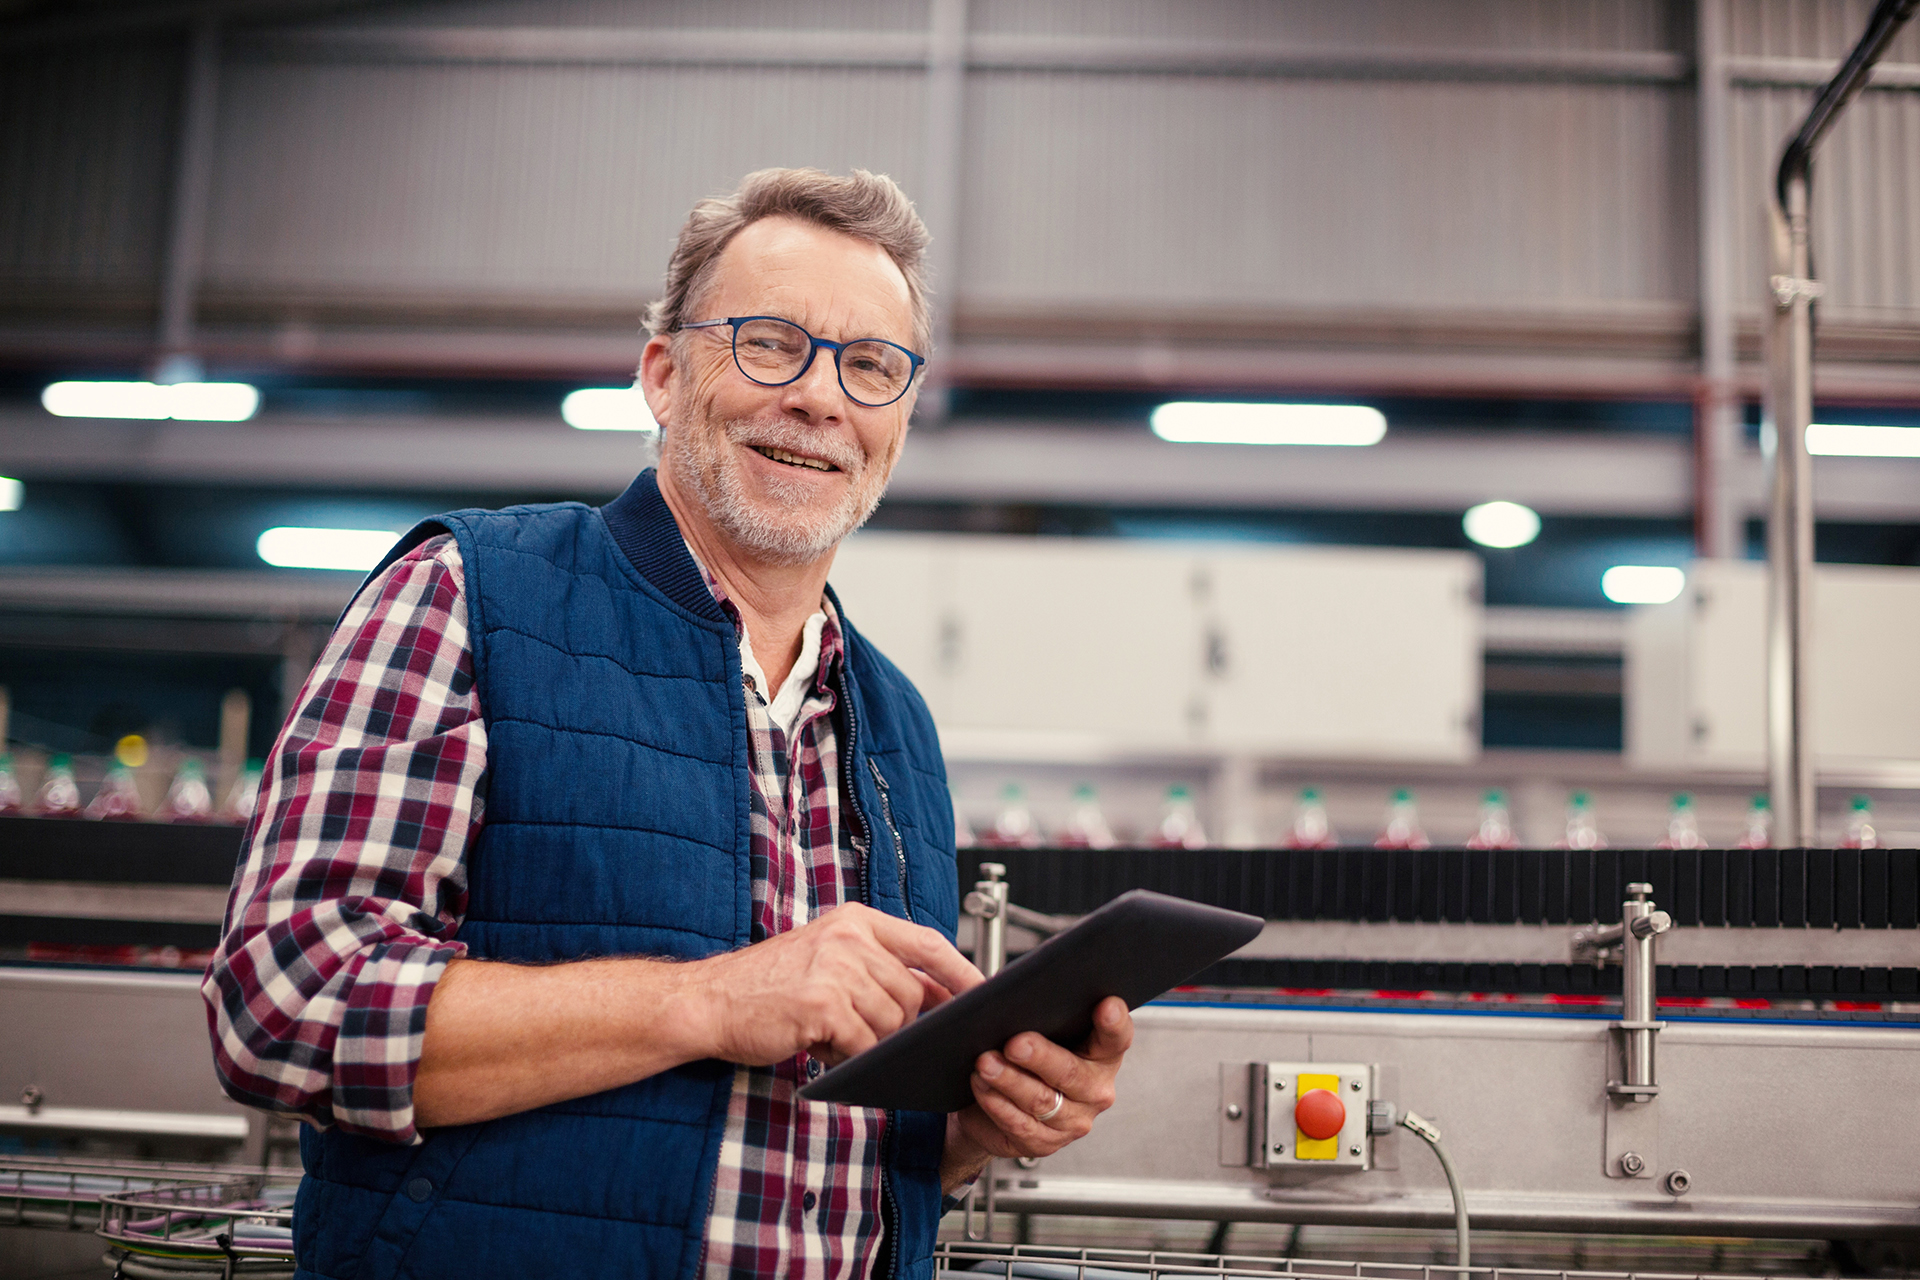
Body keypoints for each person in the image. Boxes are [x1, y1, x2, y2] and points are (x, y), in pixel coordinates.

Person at [201, 167, 1133, 1280]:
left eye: (871, 367)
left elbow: (855, 1153)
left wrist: (985, 1117)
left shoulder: (897, 728)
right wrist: (711, 997)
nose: (822, 399)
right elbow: (282, 1003)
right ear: (661, 373)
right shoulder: (470, 597)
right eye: (772, 343)